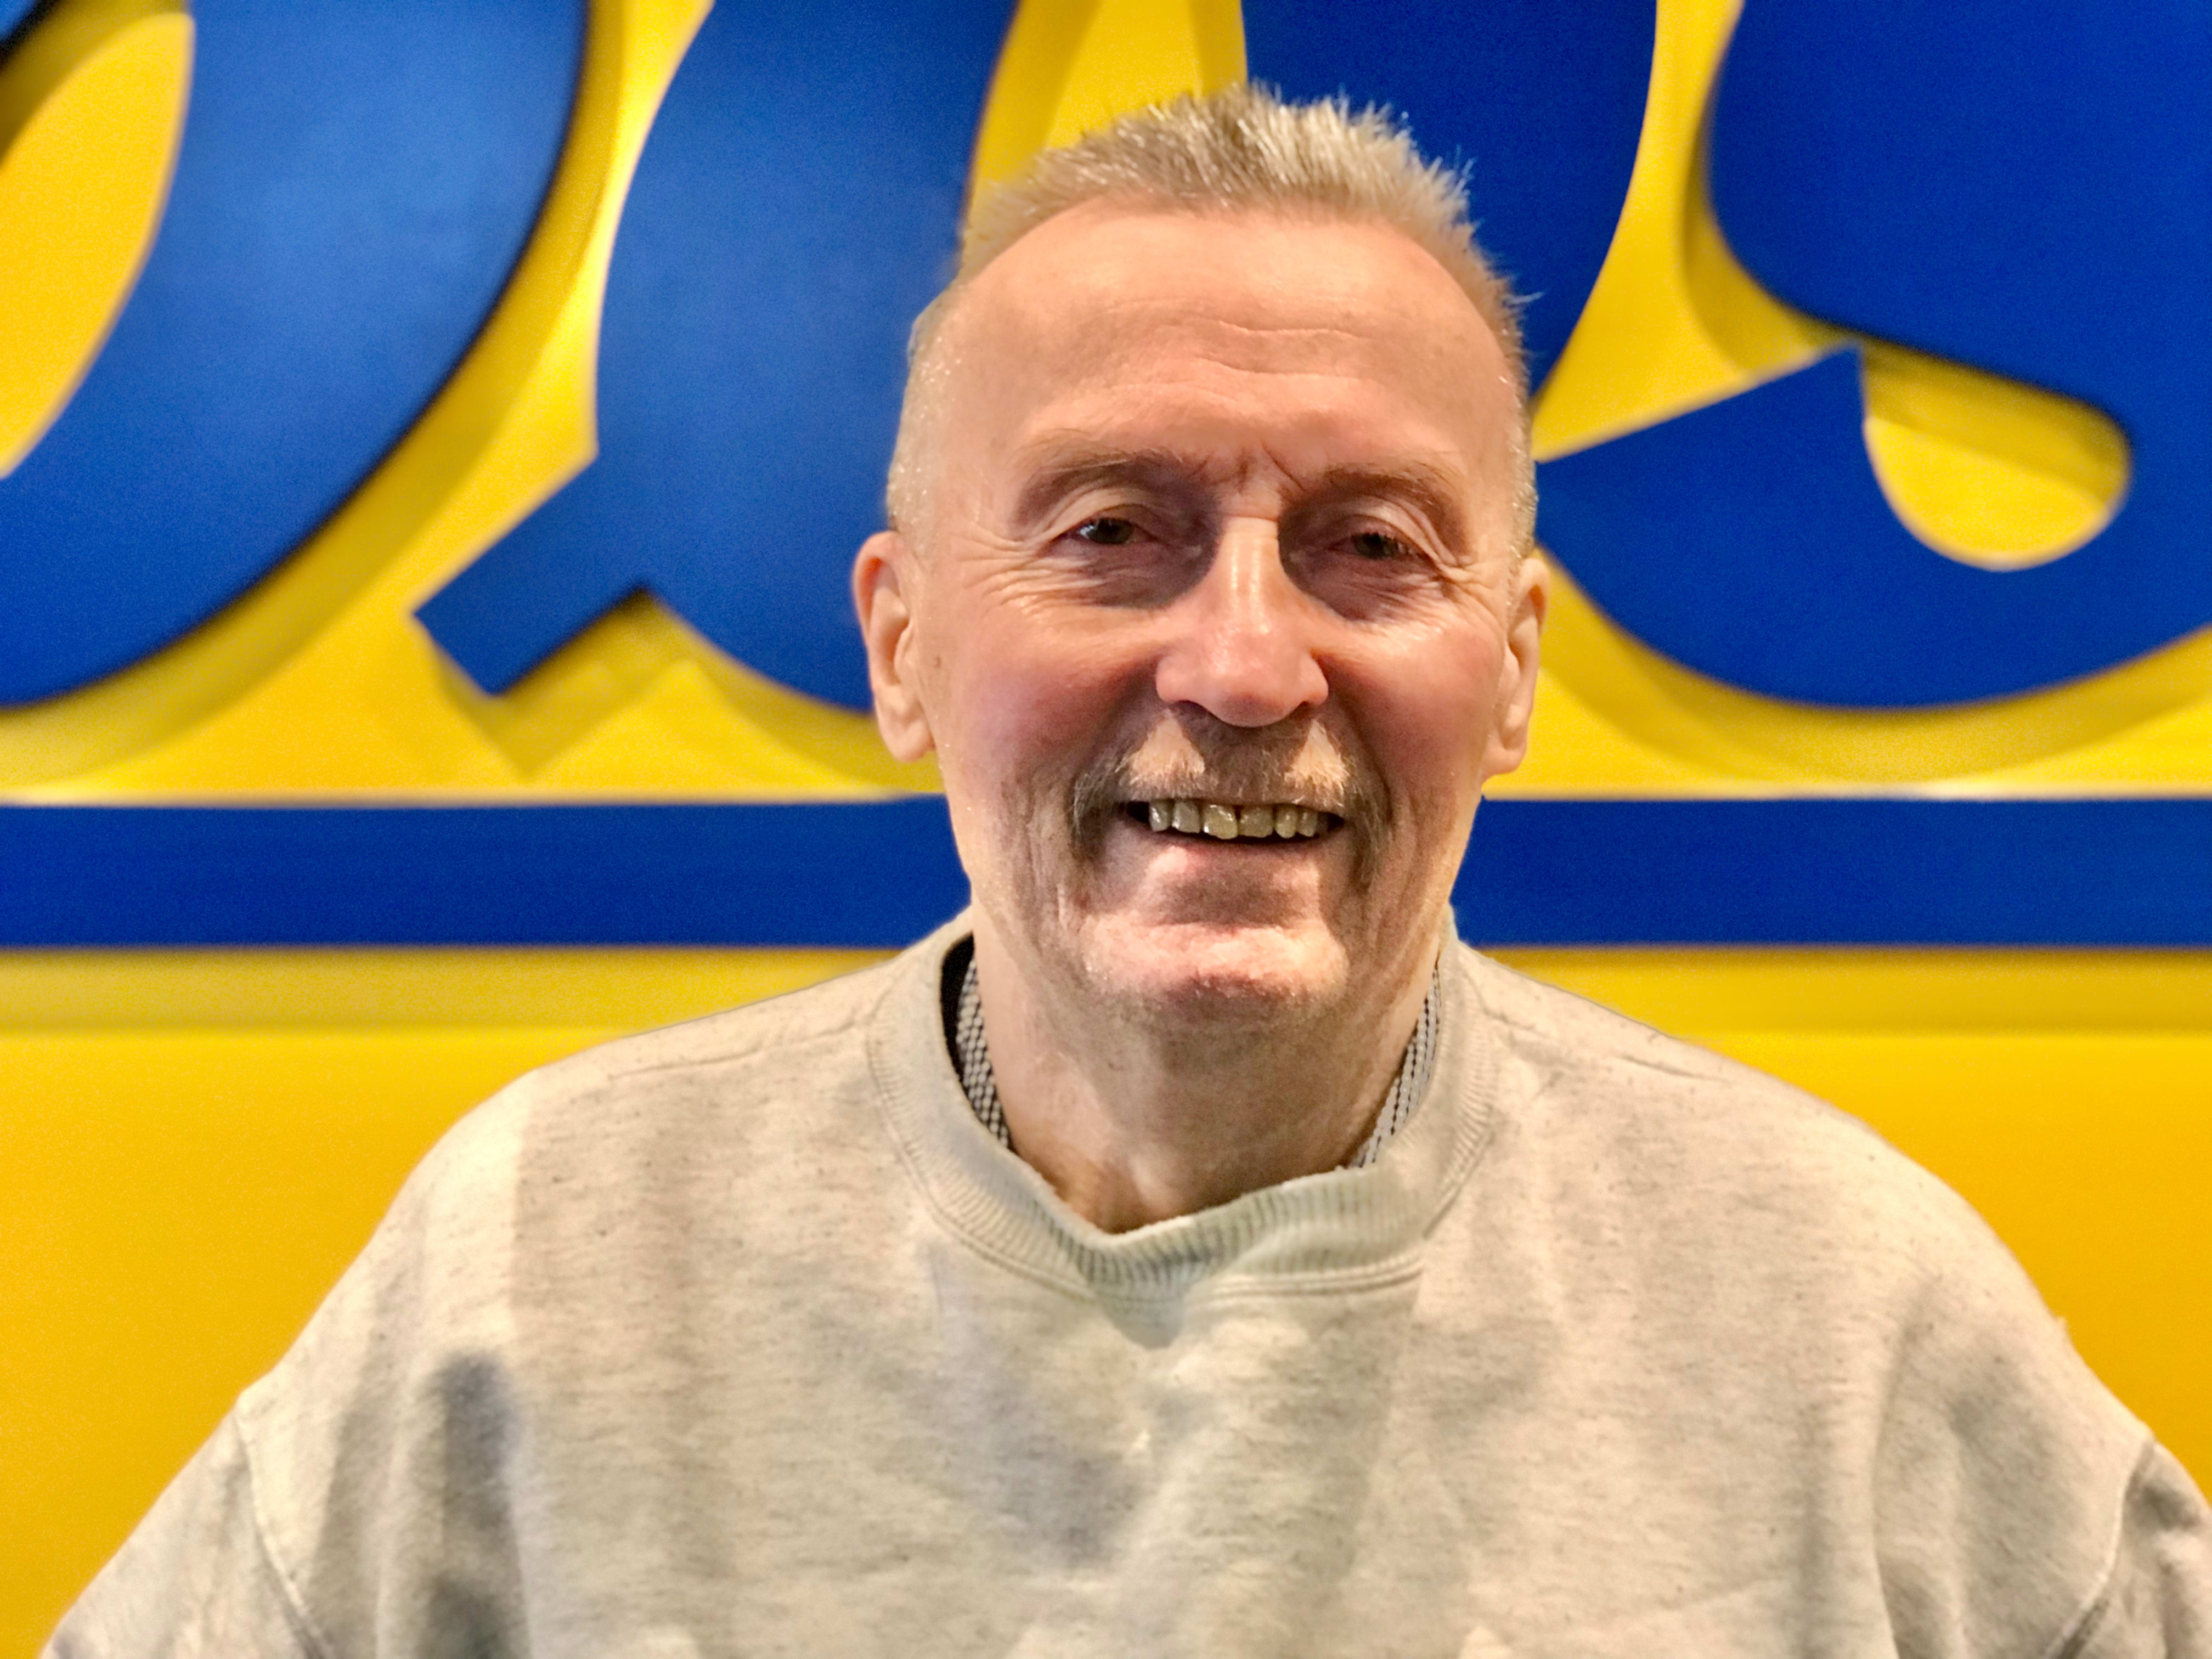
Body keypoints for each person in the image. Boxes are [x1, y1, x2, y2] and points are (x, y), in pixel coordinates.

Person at [50, 86, 2208, 1657]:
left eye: (1370, 546)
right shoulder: (540, 1258)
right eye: (1111, 535)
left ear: (1512, 667)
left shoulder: (1842, 1307)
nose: (1249, 664)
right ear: (903, 644)